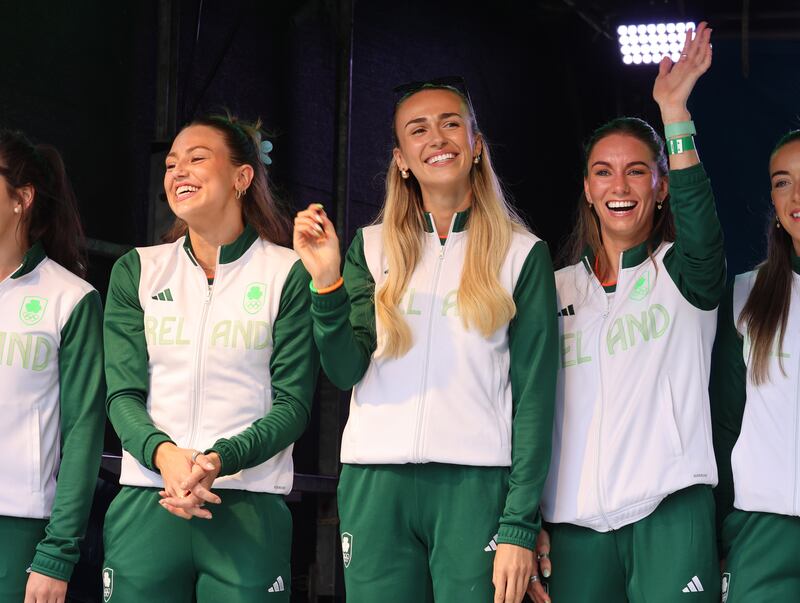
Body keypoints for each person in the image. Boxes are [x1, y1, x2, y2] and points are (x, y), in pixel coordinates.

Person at [293, 78, 558, 603]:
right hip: (374, 482)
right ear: (401, 160)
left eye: (450, 124)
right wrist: (325, 283)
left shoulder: (522, 254)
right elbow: (344, 371)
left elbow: (535, 400)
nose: (436, 138)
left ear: (476, 145)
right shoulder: (369, 246)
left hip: (475, 486)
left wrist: (520, 524)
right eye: (418, 130)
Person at [533, 22, 724, 603]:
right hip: (572, 526)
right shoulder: (552, 289)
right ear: (588, 190)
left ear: (662, 187)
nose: (620, 185)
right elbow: (522, 408)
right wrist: (524, 517)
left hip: (670, 509)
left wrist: (675, 115)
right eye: (604, 172)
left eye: (637, 170)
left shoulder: (683, 273)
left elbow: (703, 236)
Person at [102, 114, 317, 602]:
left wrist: (219, 459)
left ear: (242, 177)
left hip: (247, 506)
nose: (178, 171)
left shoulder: (288, 272)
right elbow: (122, 394)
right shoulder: (138, 270)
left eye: (197, 158)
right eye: (171, 164)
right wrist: (164, 455)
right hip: (149, 500)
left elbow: (293, 405)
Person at [0, 129, 105, 602]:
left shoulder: (70, 299)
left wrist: (57, 552)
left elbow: (83, 432)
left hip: (19, 526)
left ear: (21, 198)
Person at [710, 129, 800, 601]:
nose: (796, 196)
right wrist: (725, 528)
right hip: (761, 529)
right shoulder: (746, 294)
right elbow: (726, 423)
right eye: (783, 182)